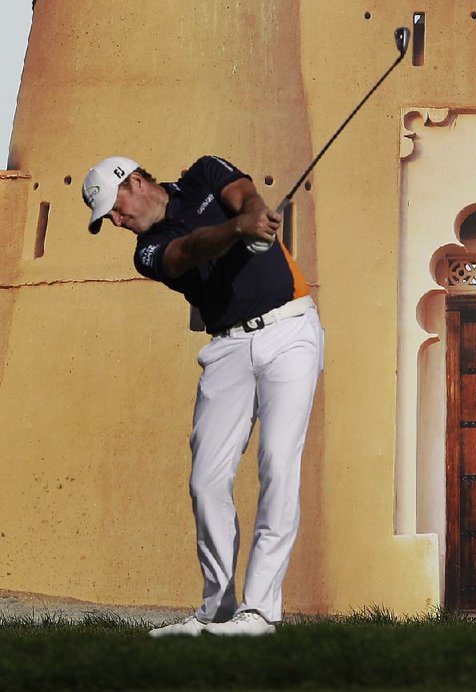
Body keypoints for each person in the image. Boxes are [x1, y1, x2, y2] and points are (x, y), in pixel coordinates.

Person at [81, 154, 324, 638]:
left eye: (113, 206)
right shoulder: (147, 250)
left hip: (290, 329)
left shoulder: (204, 173)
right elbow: (187, 251)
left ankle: (259, 611)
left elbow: (245, 194)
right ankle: (217, 607)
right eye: (107, 216)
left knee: (278, 462)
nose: (114, 219)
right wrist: (240, 230)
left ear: (133, 181)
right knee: (205, 481)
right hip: (227, 348)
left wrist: (255, 215)